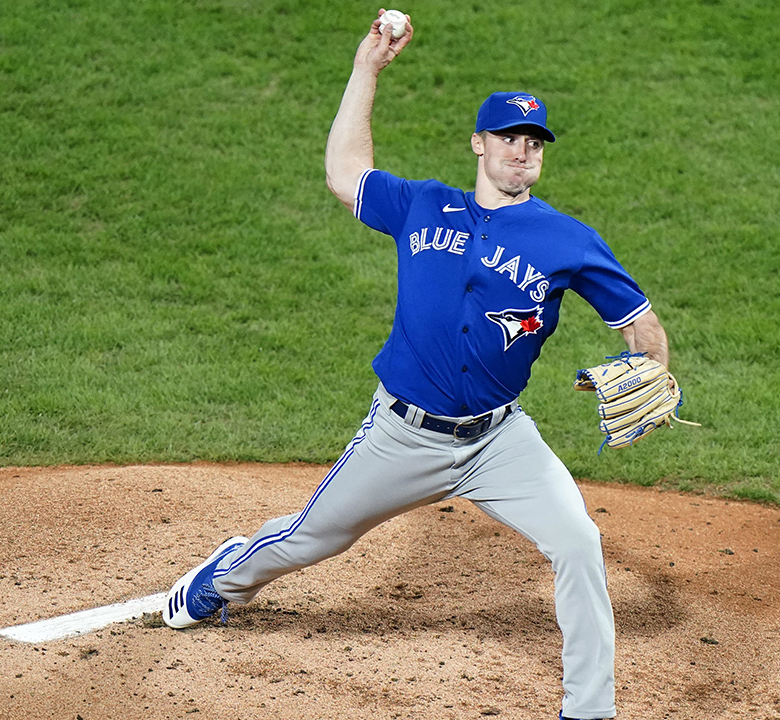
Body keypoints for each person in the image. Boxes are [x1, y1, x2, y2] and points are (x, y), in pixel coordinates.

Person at [162, 11, 674, 720]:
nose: (522, 152)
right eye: (509, 138)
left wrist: (652, 366)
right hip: (402, 436)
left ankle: (589, 711)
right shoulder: (423, 204)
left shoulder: (568, 239)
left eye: (534, 143)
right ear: (479, 143)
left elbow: (640, 326)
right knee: (313, 537)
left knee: (579, 541)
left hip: (500, 442)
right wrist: (365, 69)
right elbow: (346, 174)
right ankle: (226, 578)